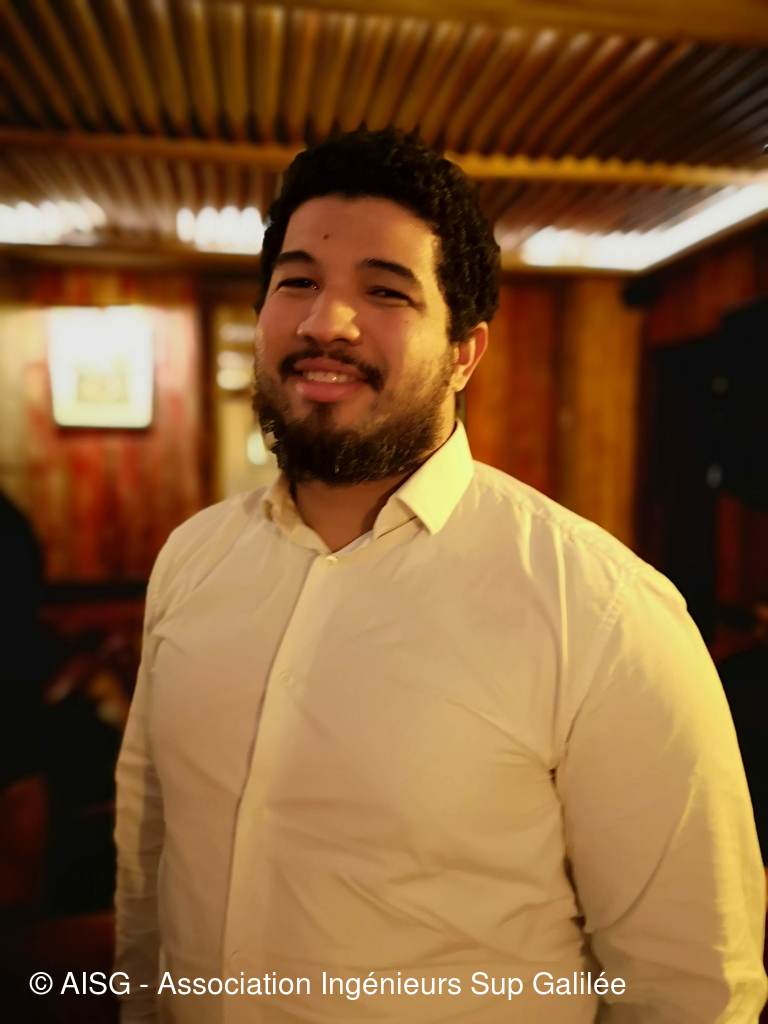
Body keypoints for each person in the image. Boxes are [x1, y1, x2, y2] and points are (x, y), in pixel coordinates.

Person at [115, 128, 766, 1023]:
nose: (324, 323)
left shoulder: (603, 612)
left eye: (384, 290)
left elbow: (690, 988)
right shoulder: (192, 560)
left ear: (465, 352)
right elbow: (149, 856)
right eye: (297, 281)